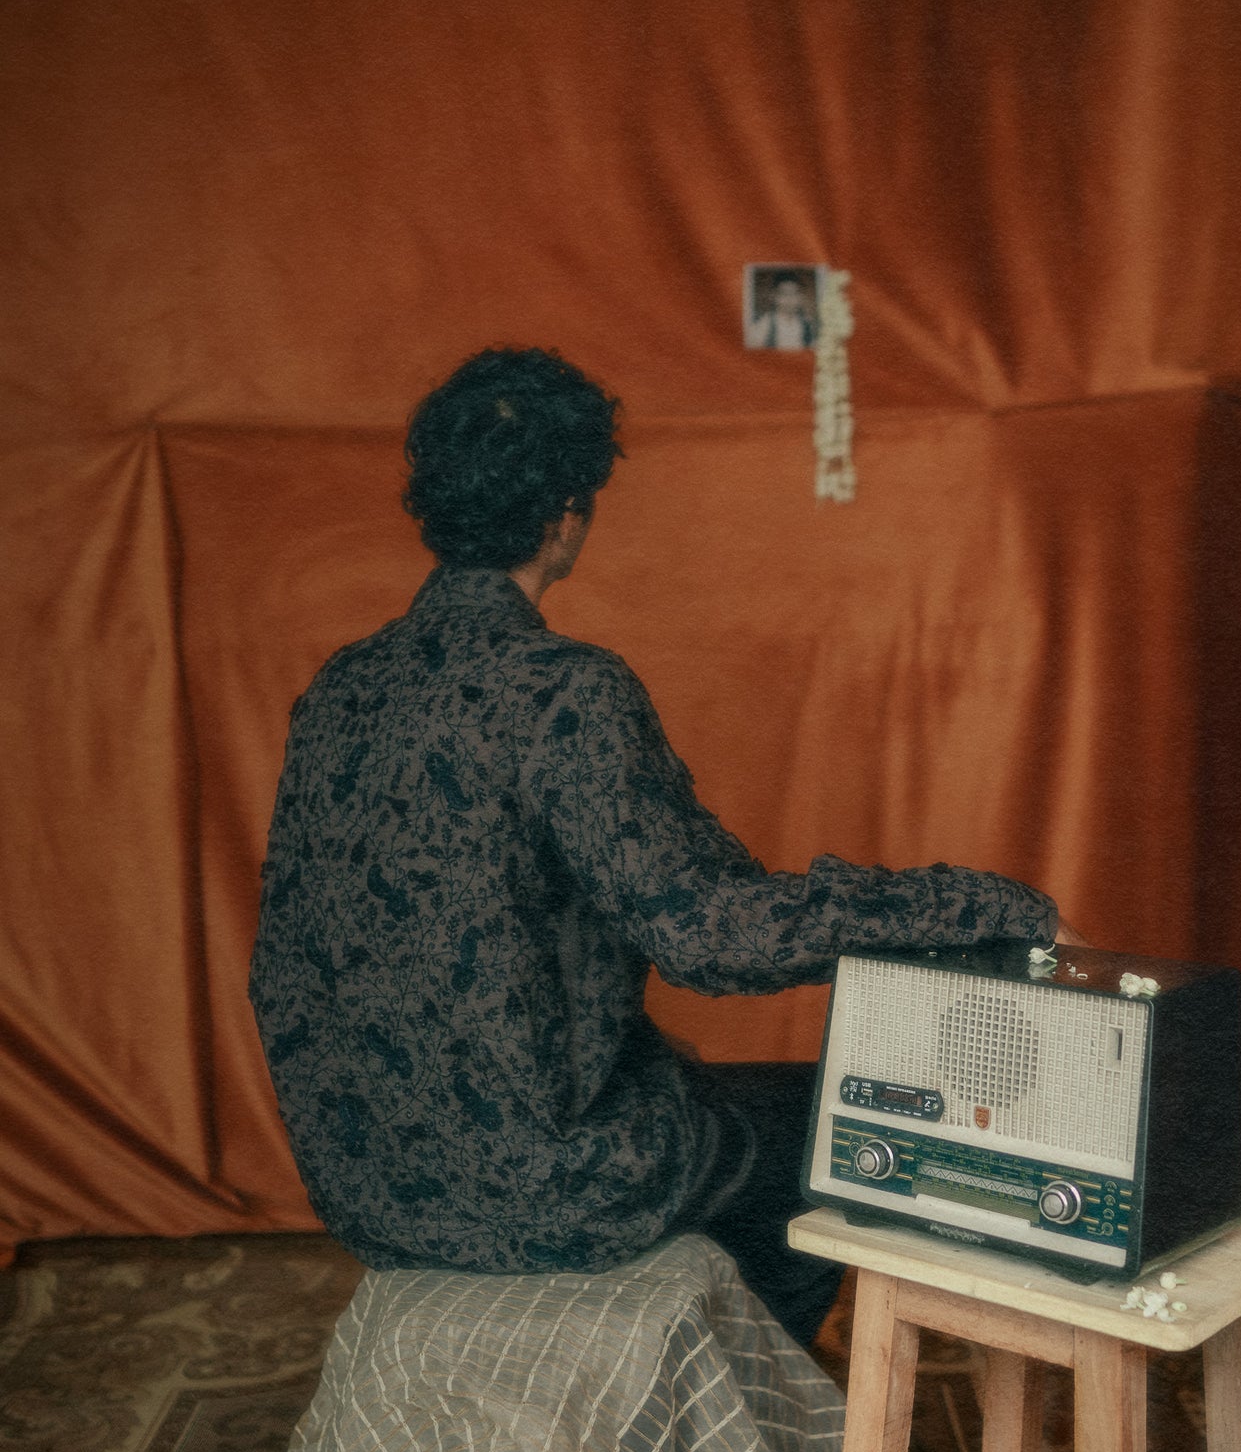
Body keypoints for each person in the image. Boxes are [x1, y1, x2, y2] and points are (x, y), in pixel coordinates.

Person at [249, 346, 1071, 1347]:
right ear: (565, 516)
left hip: (361, 1178)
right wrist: (968, 905)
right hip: (533, 1190)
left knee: (703, 1090)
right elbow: (712, 934)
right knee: (833, 1128)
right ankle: (756, 1423)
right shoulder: (562, 691)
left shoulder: (338, 689)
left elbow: (343, 949)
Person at [745, 270, 817, 349]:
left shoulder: (807, 325)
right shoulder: (764, 325)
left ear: (800, 297)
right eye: (784, 294)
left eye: (795, 293)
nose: (789, 299)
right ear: (774, 296)